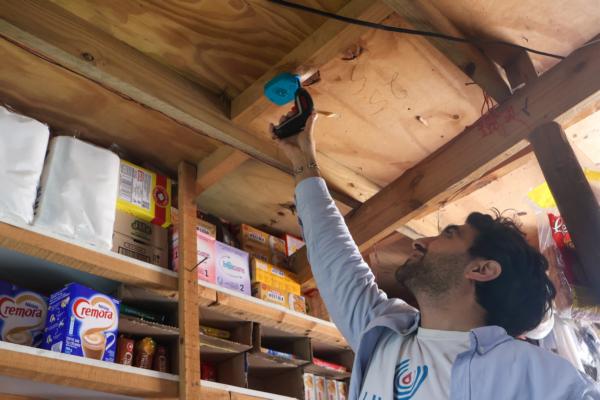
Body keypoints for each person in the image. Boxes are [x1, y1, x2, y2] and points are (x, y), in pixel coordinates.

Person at [271, 112, 600, 400]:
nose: (420, 242)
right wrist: (303, 160)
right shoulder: (383, 332)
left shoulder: (527, 372)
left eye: (448, 235)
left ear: (483, 269)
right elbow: (335, 258)